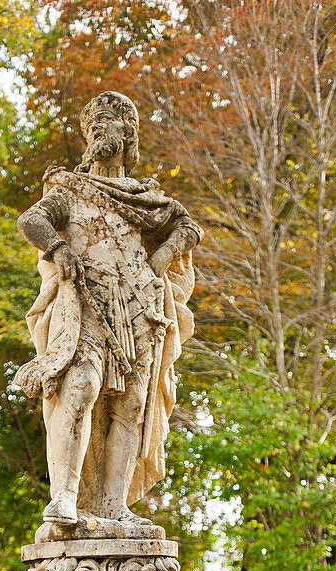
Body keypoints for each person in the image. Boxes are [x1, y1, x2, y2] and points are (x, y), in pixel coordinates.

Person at [16, 90, 202, 530]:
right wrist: (58, 247)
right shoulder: (70, 189)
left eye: (108, 124)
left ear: (127, 135)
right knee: (79, 387)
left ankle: (112, 504)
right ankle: (64, 498)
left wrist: (164, 255)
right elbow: (31, 220)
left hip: (140, 306)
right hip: (84, 300)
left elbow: (187, 227)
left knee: (132, 404)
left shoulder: (145, 198)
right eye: (93, 125)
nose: (99, 130)